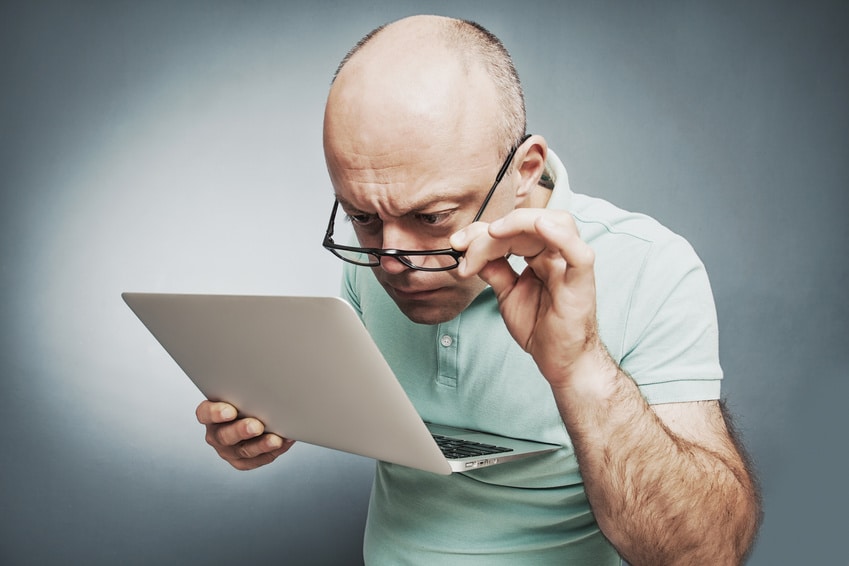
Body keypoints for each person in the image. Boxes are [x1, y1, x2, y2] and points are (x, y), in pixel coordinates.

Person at [196, 14, 761, 565]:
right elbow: (349, 399)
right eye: (361, 217)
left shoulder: (650, 267)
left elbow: (706, 557)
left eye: (433, 217)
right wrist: (272, 420)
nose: (393, 262)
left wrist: (580, 367)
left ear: (523, 171)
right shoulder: (370, 262)